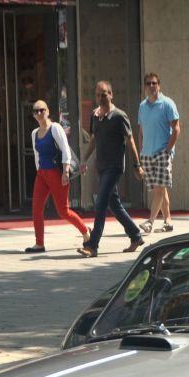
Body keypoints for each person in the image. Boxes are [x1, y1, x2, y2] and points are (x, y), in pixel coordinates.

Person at [78, 80, 145, 258]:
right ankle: (135, 235)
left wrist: (137, 165)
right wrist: (84, 159)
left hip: (115, 167)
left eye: (105, 94)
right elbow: (94, 139)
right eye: (98, 95)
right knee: (114, 205)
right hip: (101, 166)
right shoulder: (95, 116)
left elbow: (130, 140)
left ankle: (93, 245)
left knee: (100, 202)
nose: (101, 97)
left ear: (111, 94)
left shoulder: (119, 116)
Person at [24, 99, 87, 253]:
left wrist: (65, 171)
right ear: (33, 115)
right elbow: (37, 155)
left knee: (63, 211)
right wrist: (39, 171)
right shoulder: (34, 133)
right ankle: (39, 243)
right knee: (36, 209)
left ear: (48, 111)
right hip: (42, 175)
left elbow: (65, 150)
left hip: (57, 173)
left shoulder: (55, 128)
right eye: (36, 111)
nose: (39, 113)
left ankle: (86, 233)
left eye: (42, 110)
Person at [136, 71, 180, 234]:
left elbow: (176, 129)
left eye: (154, 83)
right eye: (148, 83)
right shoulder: (142, 106)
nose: (152, 86)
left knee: (159, 189)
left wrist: (168, 150)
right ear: (145, 86)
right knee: (158, 189)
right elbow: (141, 131)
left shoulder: (167, 104)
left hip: (162, 153)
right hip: (147, 154)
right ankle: (168, 221)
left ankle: (150, 221)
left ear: (159, 85)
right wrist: (141, 153)